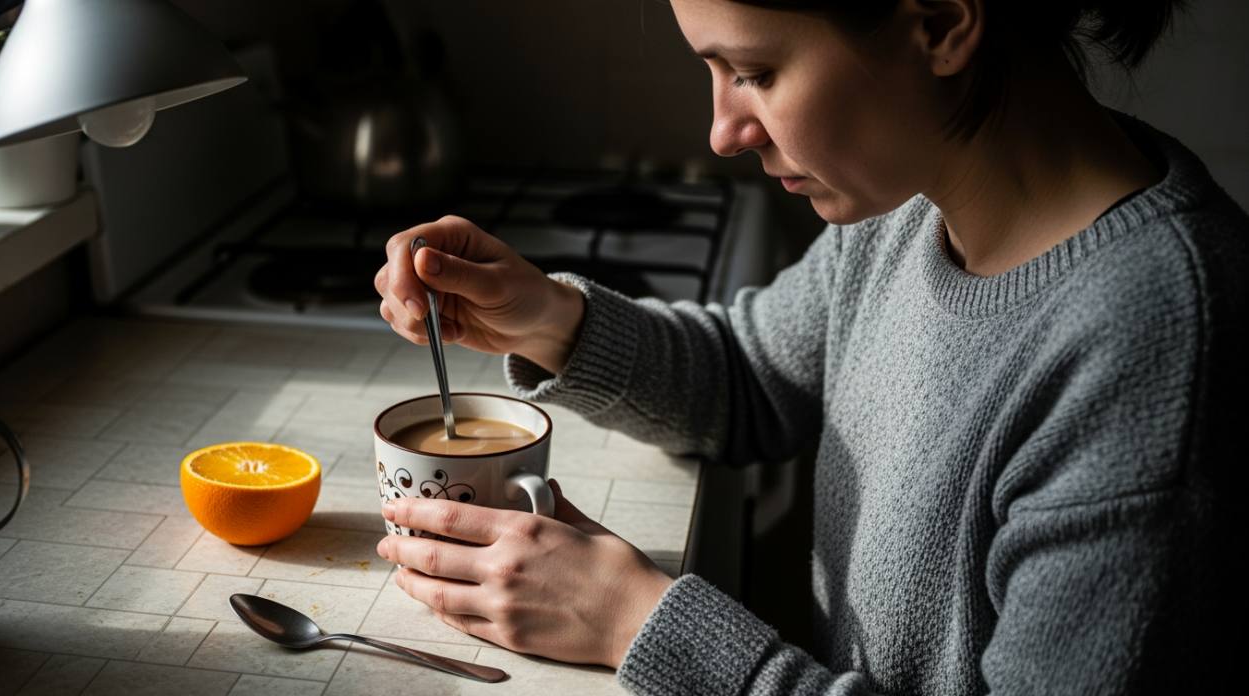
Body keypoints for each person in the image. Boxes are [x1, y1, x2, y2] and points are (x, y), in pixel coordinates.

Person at [372, 0, 1248, 693]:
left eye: (753, 71)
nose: (723, 131)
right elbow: (755, 379)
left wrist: (639, 626)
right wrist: (548, 317)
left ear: (940, 24)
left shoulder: (1155, 346)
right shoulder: (911, 201)